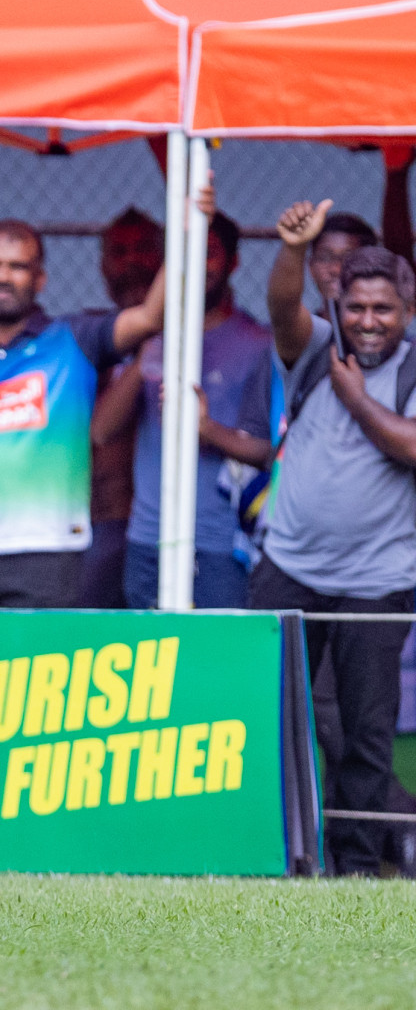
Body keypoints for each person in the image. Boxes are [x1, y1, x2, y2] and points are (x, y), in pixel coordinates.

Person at [252, 202, 416, 876]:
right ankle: (267, 853)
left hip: (377, 581)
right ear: (337, 305)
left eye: (383, 310)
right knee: (264, 713)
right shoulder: (315, 350)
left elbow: (410, 448)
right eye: (356, 308)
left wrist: (357, 399)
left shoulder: (408, 371)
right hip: (287, 565)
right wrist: (293, 249)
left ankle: (352, 864)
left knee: (366, 735)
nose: (368, 322)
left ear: (405, 311)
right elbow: (282, 308)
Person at [0, 218, 169, 608]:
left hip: (51, 550)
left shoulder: (74, 338)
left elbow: (149, 317)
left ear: (40, 279)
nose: (3, 277)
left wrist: (187, 229)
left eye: (18, 266)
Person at [93, 211, 272, 609]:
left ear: (233, 262)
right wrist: (148, 352)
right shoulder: (154, 339)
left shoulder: (258, 344)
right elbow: (102, 431)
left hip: (221, 543)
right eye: (186, 253)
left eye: (208, 253)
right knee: (150, 668)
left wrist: (207, 430)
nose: (197, 265)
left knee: (217, 665)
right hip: (146, 539)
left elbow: (270, 450)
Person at [80, 209, 163, 608]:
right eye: (119, 251)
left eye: (144, 249)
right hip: (101, 524)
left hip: (167, 531)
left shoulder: (201, 337)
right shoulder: (91, 337)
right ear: (102, 264)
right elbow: (100, 431)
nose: (131, 262)